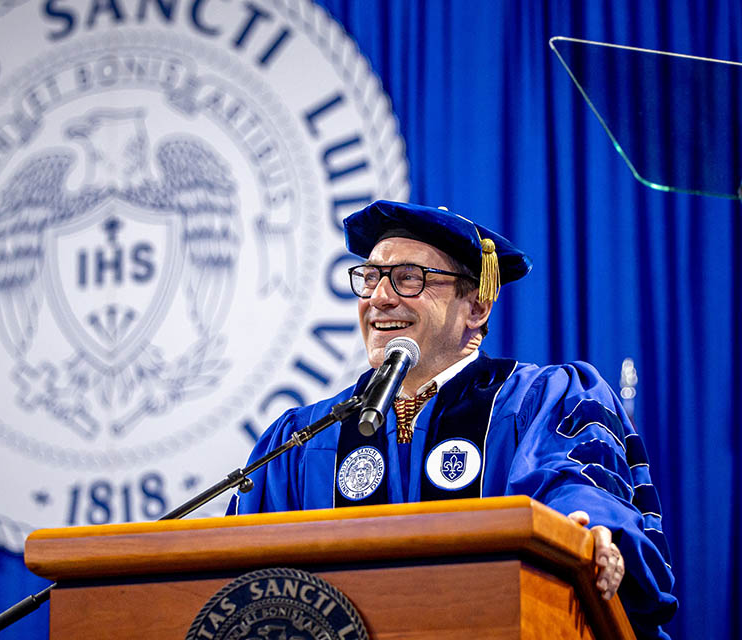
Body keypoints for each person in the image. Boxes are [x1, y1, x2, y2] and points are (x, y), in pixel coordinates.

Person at [230, 200, 677, 638]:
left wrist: (586, 528)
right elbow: (236, 581)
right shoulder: (302, 439)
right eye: (369, 278)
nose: (380, 298)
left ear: (477, 308)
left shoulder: (541, 400)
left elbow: (574, 485)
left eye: (409, 278)